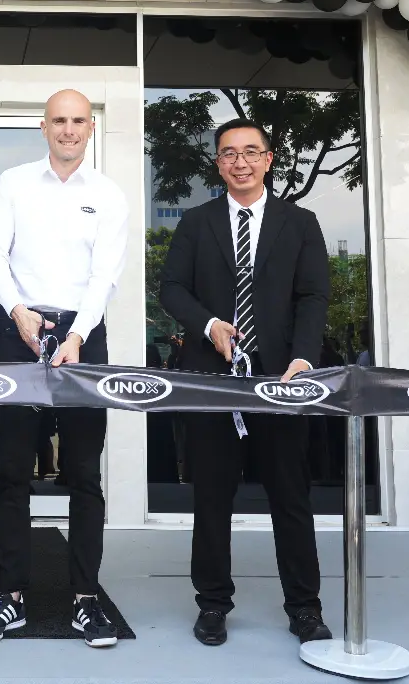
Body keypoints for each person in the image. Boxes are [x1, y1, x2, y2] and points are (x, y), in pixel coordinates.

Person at [158, 117, 332, 647]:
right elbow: (171, 288)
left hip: (282, 379)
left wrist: (303, 358)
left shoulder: (300, 223)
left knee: (290, 497)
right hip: (214, 383)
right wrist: (209, 324)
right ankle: (212, 603)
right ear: (218, 164)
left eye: (251, 152)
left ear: (269, 159)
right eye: (229, 153)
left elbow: (313, 296)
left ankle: (304, 607)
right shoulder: (197, 222)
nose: (241, 162)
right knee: (212, 498)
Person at [0, 89, 129, 649]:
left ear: (90, 128)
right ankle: (10, 596)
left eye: (78, 120)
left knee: (83, 473)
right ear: (43, 127)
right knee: (12, 469)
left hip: (84, 336)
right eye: (58, 120)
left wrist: (77, 335)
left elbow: (105, 275)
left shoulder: (108, 194)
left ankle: (86, 600)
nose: (68, 130)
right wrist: (17, 312)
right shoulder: (13, 182)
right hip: (17, 332)